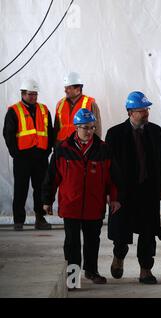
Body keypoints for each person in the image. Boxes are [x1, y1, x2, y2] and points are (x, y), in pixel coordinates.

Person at [42, 109, 120, 287]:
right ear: (76, 127)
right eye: (86, 128)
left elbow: (113, 178)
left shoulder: (103, 149)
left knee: (93, 241)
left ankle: (92, 272)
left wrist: (114, 198)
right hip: (71, 205)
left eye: (93, 127)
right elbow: (52, 177)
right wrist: (47, 200)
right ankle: (72, 278)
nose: (90, 131)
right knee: (72, 243)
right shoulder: (62, 149)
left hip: (95, 205)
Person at [106, 91, 161, 285]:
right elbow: (108, 167)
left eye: (147, 109)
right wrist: (111, 194)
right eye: (142, 110)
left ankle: (145, 270)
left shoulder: (155, 131)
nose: (146, 113)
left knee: (149, 233)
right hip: (124, 193)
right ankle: (119, 256)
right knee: (121, 233)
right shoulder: (115, 134)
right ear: (130, 112)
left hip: (148, 191)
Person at [3, 79, 54, 231]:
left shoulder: (44, 110)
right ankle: (19, 220)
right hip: (22, 158)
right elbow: (8, 134)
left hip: (40, 157)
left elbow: (50, 132)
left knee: (41, 189)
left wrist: (47, 150)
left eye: (35, 94)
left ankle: (40, 219)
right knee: (20, 189)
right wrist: (16, 154)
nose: (33, 97)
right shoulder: (14, 111)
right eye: (30, 94)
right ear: (23, 94)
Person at [54, 72, 102, 144]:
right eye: (65, 88)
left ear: (78, 89)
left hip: (81, 145)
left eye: (68, 88)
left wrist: (96, 146)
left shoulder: (90, 104)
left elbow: (97, 127)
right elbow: (56, 127)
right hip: (62, 144)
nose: (65, 90)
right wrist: (56, 145)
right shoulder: (60, 104)